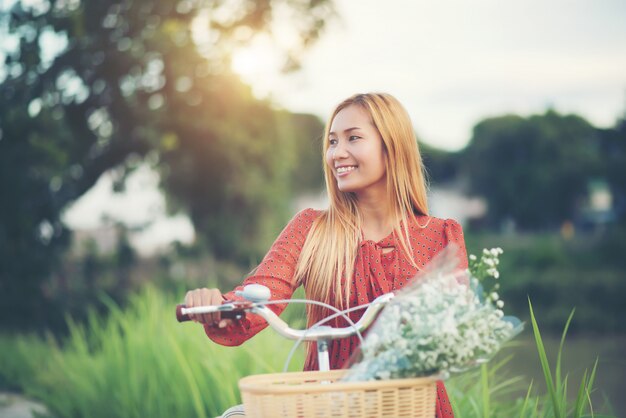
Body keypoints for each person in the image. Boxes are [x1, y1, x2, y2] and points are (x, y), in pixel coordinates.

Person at [185, 92, 467, 417]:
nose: (337, 153)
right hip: (329, 402)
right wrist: (221, 307)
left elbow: (450, 337)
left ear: (392, 146)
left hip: (408, 405)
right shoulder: (312, 229)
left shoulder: (440, 235)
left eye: (353, 138)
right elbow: (265, 292)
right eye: (332, 141)